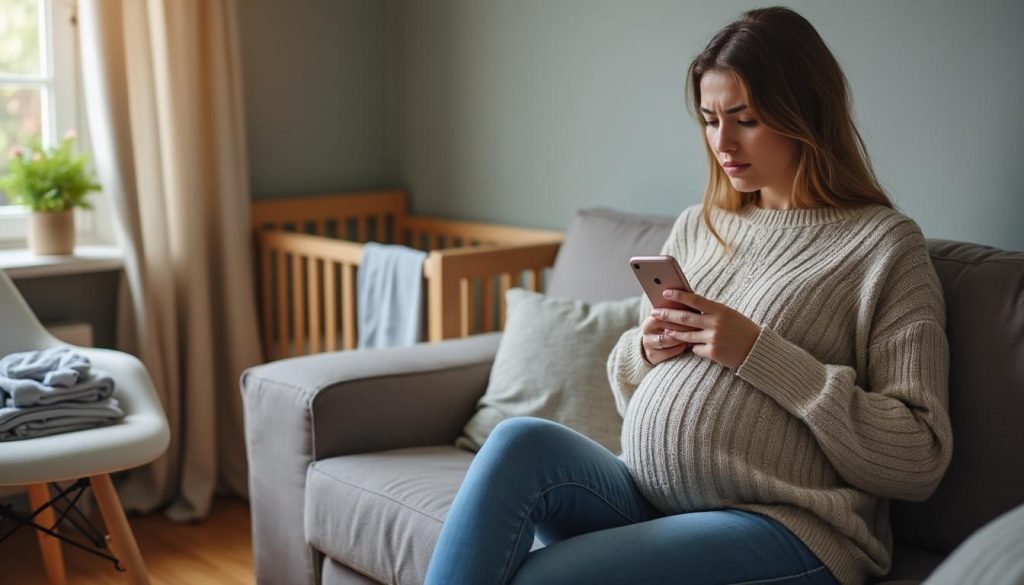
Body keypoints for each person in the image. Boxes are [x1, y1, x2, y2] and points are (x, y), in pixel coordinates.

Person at [424, 6, 952, 585]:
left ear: (804, 113)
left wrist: (759, 352)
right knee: (518, 441)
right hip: (652, 498)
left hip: (787, 526)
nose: (722, 142)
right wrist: (645, 351)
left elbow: (919, 457)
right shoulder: (699, 226)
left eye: (745, 119)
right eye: (709, 118)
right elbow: (630, 391)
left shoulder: (884, 246)